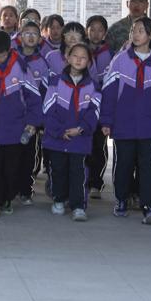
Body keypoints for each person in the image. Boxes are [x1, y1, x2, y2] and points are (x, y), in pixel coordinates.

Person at [100, 16, 151, 225]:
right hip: (123, 124)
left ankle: (149, 208)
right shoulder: (120, 60)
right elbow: (109, 93)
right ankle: (121, 200)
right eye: (133, 30)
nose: (135, 34)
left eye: (141, 31)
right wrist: (106, 121)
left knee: (149, 167)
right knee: (123, 165)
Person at [0, 29, 42, 218]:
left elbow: (33, 97)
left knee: (10, 169)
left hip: (14, 129)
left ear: (9, 50)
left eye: (1, 55)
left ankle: (6, 199)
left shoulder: (20, 67)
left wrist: (32, 122)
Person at [42, 42, 101, 221]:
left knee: (79, 173)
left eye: (83, 57)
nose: (78, 60)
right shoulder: (55, 83)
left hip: (80, 140)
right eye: (75, 56)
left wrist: (81, 129)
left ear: (89, 62)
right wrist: (60, 131)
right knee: (58, 170)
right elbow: (48, 110)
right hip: (57, 139)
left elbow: (94, 112)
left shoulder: (93, 86)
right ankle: (58, 200)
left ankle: (78, 206)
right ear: (67, 58)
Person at [16, 20, 50, 204]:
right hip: (12, 116)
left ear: (40, 39)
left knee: (29, 155)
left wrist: (39, 119)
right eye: (26, 33)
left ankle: (25, 190)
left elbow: (44, 93)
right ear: (20, 36)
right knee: (12, 153)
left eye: (34, 33)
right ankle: (10, 188)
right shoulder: (12, 58)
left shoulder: (42, 63)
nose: (30, 36)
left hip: (31, 118)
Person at [85, 15, 112, 198]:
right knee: (84, 143)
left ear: (105, 33)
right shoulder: (80, 51)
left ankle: (96, 183)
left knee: (99, 145)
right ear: (86, 31)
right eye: (92, 29)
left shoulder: (110, 53)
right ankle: (84, 180)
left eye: (100, 30)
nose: (96, 33)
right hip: (83, 106)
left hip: (101, 106)